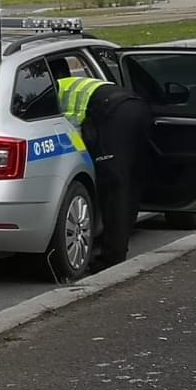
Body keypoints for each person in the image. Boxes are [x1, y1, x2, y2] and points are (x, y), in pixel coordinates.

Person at [57, 75, 152, 267]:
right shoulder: (72, 84)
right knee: (131, 181)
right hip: (137, 107)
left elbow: (70, 134)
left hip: (114, 114)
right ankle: (120, 239)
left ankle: (113, 257)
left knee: (113, 186)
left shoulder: (51, 95)